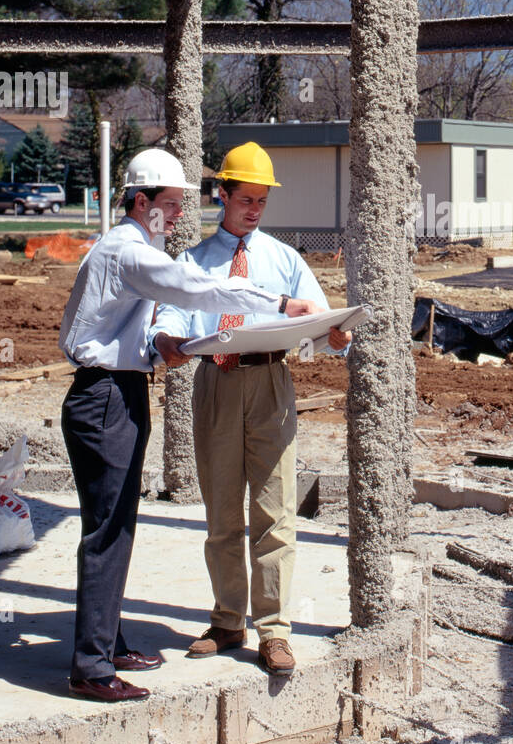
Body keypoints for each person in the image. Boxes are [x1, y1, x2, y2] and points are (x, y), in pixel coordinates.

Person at [58, 147, 320, 703]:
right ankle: (93, 666)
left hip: (145, 388)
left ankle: (110, 644)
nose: (178, 215)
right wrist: (274, 301)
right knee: (111, 531)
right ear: (142, 200)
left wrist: (160, 351)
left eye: (181, 204)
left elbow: (156, 320)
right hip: (111, 394)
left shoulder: (140, 248)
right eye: (171, 204)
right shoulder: (131, 252)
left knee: (118, 527)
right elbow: (192, 292)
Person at [151, 141, 351, 677]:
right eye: (246, 199)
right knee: (220, 511)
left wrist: (334, 332)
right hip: (215, 384)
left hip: (270, 385)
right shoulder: (192, 262)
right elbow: (167, 315)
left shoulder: (284, 260)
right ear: (222, 194)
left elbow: (321, 318)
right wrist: (165, 337)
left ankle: (275, 630)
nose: (255, 210)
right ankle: (226, 621)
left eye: (262, 201)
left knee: (275, 511)